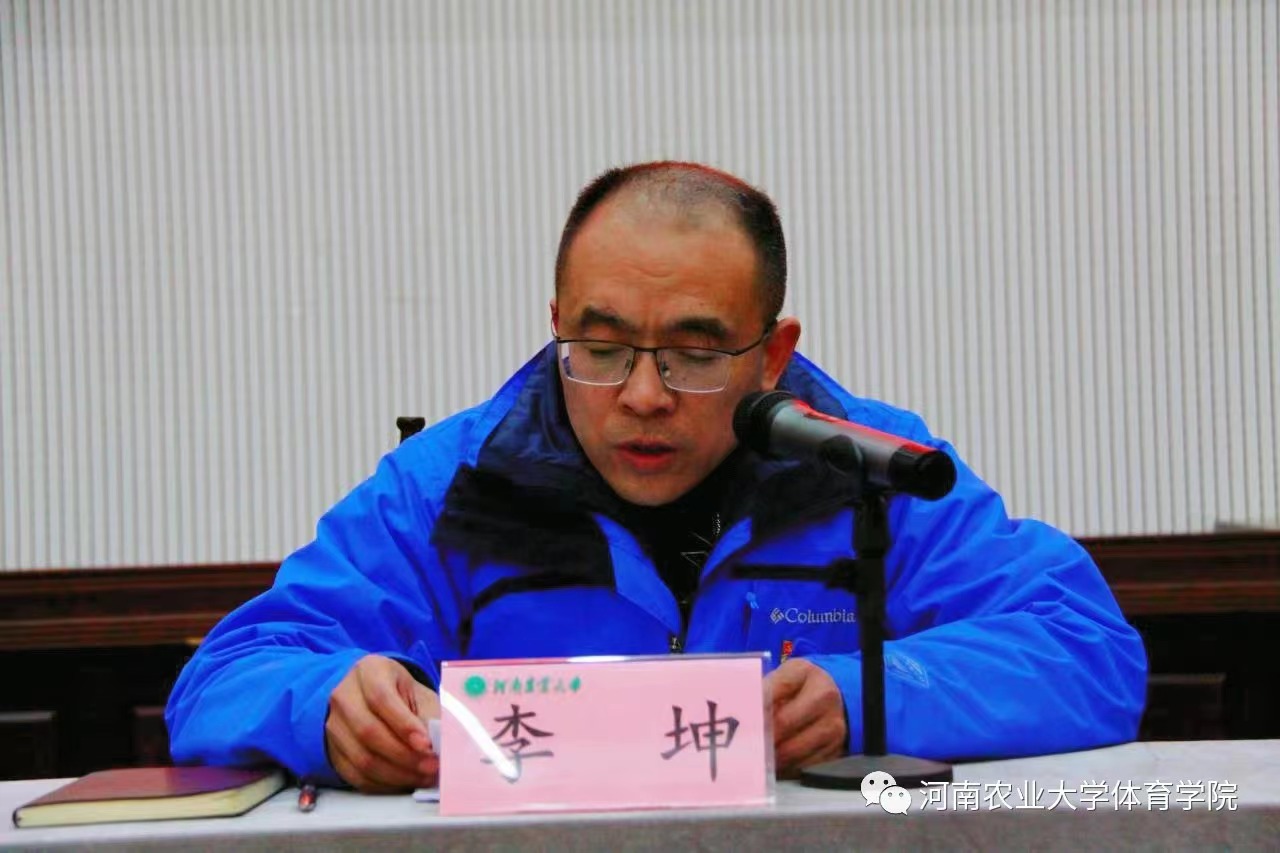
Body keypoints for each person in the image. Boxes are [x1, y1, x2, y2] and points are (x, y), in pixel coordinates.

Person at [166, 161, 1147, 792]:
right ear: (556, 323)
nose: (642, 395)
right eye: (599, 348)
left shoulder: (866, 469)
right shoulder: (447, 484)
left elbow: (1085, 648)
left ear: (771, 354)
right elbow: (223, 677)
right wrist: (324, 703)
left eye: (694, 353)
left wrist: (864, 696)